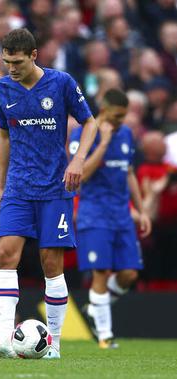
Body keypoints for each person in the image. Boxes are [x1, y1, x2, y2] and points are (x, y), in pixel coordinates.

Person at [0, 28, 99, 359]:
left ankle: (53, 343)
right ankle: (1, 339)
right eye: (6, 61)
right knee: (4, 256)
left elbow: (91, 123)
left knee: (50, 263)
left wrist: (79, 160)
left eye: (16, 61)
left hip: (55, 187)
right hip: (17, 187)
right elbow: (4, 137)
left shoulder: (61, 83)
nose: (11, 68)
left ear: (33, 56)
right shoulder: (2, 88)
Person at [69, 89, 152, 349]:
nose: (119, 122)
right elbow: (80, 177)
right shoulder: (83, 133)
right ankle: (105, 336)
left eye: (123, 117)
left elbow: (128, 173)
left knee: (129, 274)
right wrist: (103, 142)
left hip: (122, 215)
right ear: (103, 109)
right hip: (94, 214)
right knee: (101, 272)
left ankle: (95, 308)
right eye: (116, 116)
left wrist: (141, 210)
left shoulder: (126, 134)